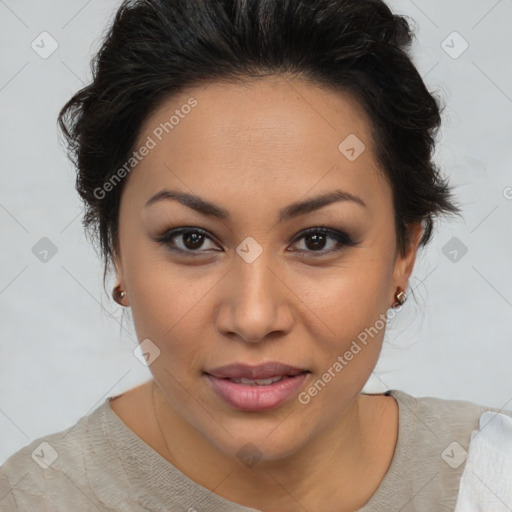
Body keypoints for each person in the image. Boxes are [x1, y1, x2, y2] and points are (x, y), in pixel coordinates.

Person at [1, 0, 510, 510]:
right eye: (192, 239)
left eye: (317, 239)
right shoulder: (35, 498)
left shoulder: (493, 477)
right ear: (118, 252)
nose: (253, 317)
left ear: (403, 253)